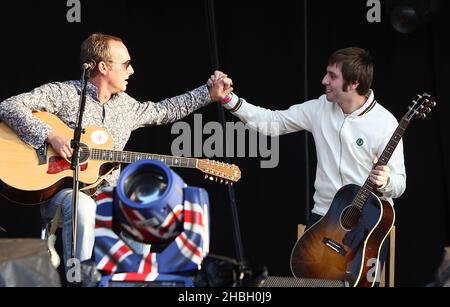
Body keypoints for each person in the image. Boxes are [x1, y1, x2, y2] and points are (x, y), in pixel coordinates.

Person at [0, 33, 233, 274]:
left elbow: (165, 110)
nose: (131, 71)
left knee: (141, 210)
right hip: (61, 194)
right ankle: (81, 279)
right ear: (102, 67)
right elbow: (8, 106)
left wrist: (208, 93)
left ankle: (132, 279)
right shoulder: (65, 94)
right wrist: (53, 136)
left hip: (108, 198)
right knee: (83, 206)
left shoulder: (126, 106)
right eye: (125, 64)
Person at [210, 47, 406, 284]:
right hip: (323, 220)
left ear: (353, 83)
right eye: (327, 73)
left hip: (365, 230)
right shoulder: (320, 108)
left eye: (332, 76)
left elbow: (399, 184)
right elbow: (273, 122)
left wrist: (385, 181)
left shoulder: (385, 123)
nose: (324, 80)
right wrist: (229, 99)